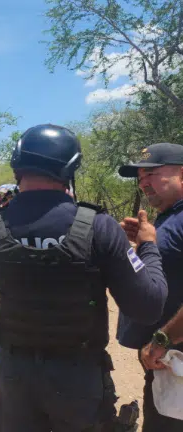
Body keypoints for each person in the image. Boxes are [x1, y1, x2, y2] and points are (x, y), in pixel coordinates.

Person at [0, 124, 168, 431]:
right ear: (70, 168)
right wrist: (147, 247)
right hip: (78, 379)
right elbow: (148, 307)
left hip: (16, 377)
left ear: (18, 167)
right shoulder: (99, 226)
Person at [117, 143, 183, 431]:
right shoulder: (170, 216)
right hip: (166, 364)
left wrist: (162, 340)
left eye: (152, 174)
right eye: (141, 177)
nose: (143, 183)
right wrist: (144, 246)